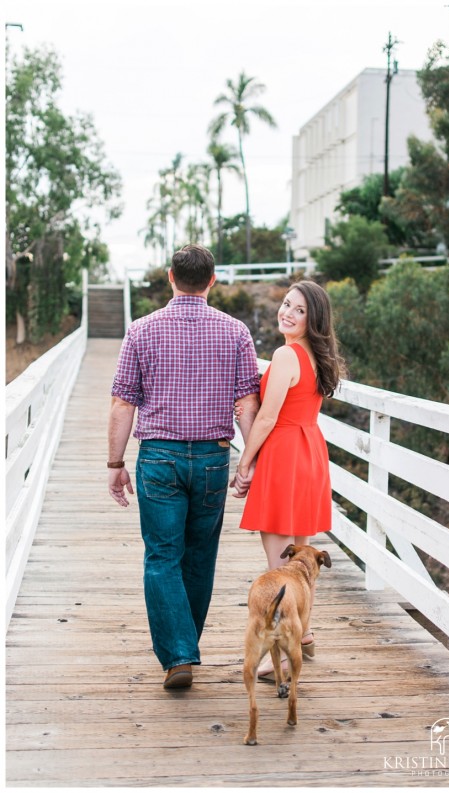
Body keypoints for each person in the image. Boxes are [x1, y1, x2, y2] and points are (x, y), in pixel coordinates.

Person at [107, 244, 260, 690]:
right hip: (213, 459)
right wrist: (249, 462)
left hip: (159, 458)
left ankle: (178, 654)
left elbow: (122, 403)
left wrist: (115, 463)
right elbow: (247, 404)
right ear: (212, 280)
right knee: (199, 557)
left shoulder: (141, 331)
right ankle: (183, 646)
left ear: (170, 276)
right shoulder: (236, 333)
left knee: (161, 556)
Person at [231, 280, 345, 679]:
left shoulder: (286, 354)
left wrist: (245, 461)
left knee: (280, 567)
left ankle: (283, 652)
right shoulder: (317, 355)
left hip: (284, 455)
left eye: (298, 310)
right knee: (302, 562)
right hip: (309, 451)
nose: (286, 313)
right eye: (285, 304)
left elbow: (267, 416)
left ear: (312, 319)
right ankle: (306, 633)